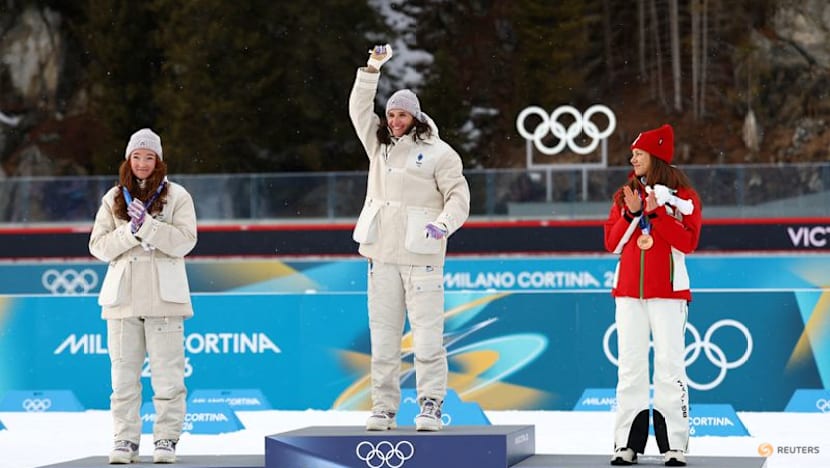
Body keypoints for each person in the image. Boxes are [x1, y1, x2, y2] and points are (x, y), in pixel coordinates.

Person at [349, 44, 470, 432]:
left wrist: (444, 224)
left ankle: (431, 404)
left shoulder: (441, 154)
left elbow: (459, 196)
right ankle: (383, 407)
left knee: (428, 339)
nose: (395, 120)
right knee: (383, 340)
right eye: (391, 114)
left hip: (423, 258)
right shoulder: (379, 146)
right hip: (381, 257)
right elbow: (357, 109)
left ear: (415, 116)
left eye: (401, 114)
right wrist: (372, 70)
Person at [89, 128, 197, 464]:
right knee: (123, 380)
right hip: (123, 301)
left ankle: (166, 439)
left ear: (158, 161)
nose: (142, 163)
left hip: (165, 300)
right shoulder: (113, 198)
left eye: (149, 157)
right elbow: (98, 247)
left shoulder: (178, 196)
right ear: (128, 160)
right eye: (137, 156)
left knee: (168, 378)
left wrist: (149, 226)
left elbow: (185, 241)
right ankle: (125, 440)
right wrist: (130, 232)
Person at [603, 124, 702, 467]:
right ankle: (625, 444)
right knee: (629, 369)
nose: (632, 158)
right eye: (633, 153)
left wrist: (657, 211)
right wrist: (633, 212)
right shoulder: (625, 193)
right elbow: (612, 243)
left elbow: (688, 243)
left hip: (669, 295)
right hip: (629, 294)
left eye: (639, 153)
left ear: (656, 156)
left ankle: (673, 445)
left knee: (669, 367)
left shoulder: (684, 197)